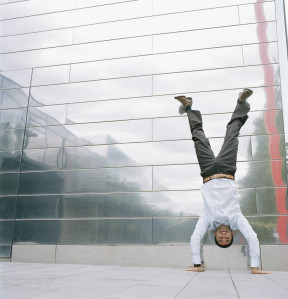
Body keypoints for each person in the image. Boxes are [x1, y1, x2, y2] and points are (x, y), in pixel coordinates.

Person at [174, 89, 270, 274]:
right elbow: (252, 236)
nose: (224, 236)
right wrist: (255, 267)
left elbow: (195, 238)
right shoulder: (236, 220)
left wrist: (197, 265)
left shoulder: (207, 221)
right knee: (232, 133)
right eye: (227, 239)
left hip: (208, 171)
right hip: (227, 170)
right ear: (231, 234)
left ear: (215, 235)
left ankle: (188, 107)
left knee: (198, 137)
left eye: (221, 239)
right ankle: (241, 103)